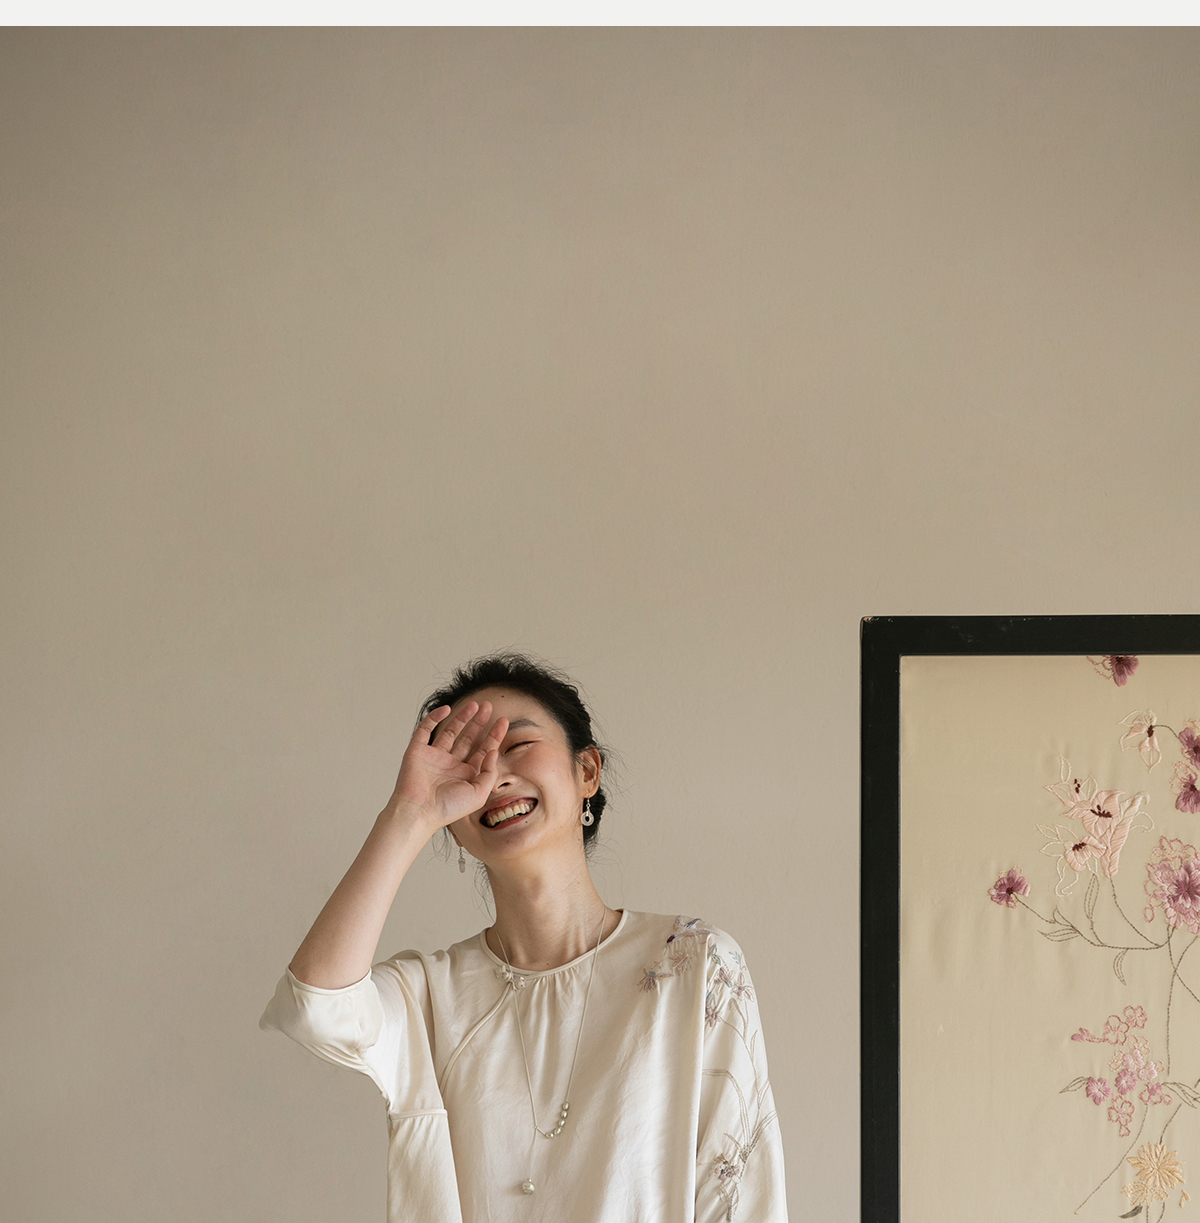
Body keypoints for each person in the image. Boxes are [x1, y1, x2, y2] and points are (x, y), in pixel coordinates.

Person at [260, 653, 787, 1222]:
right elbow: (315, 1006)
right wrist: (410, 811)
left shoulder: (694, 964)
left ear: (587, 772)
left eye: (518, 746)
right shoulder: (429, 998)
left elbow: (742, 1201)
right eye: (468, 764)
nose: (494, 777)